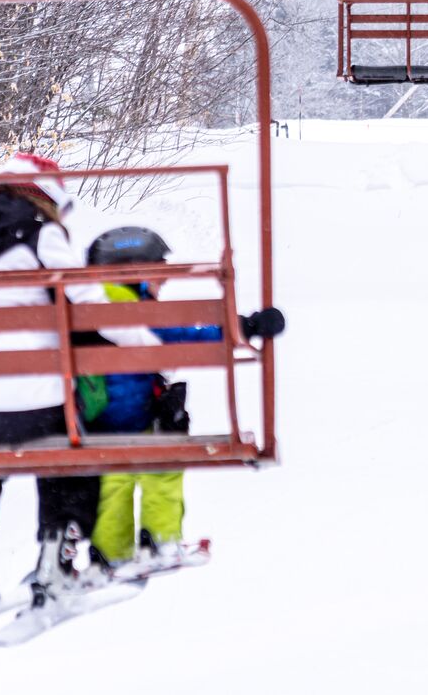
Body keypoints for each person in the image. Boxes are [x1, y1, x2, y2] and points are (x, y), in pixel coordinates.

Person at [0, 152, 166, 621]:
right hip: (34, 409)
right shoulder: (40, 232)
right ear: (47, 197)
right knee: (74, 439)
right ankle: (58, 559)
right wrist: (152, 347)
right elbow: (91, 306)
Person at [78, 226, 285, 565]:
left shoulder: (88, 300)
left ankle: (111, 551)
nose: (165, 281)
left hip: (95, 420)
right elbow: (186, 334)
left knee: (113, 478)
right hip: (140, 415)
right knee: (163, 466)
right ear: (134, 269)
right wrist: (245, 326)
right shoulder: (132, 306)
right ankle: (159, 540)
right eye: (159, 271)